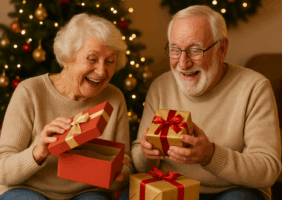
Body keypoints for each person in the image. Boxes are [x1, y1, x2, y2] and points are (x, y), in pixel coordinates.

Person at [131, 5, 281, 200]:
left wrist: (210, 156)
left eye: (195, 50)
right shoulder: (161, 86)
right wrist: (146, 152)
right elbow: (137, 161)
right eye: (175, 50)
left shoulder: (254, 87)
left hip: (232, 191)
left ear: (222, 49)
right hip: (172, 188)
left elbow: (268, 170)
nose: (183, 63)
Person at [0, 13, 133, 200]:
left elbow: (125, 164)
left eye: (110, 61)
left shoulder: (114, 98)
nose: (102, 71)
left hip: (87, 192)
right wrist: (38, 152)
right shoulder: (30, 92)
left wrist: (116, 175)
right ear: (67, 58)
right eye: (92, 59)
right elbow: (2, 170)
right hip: (29, 190)